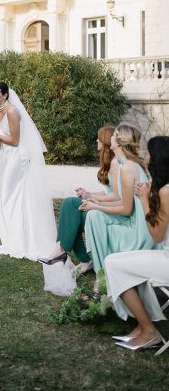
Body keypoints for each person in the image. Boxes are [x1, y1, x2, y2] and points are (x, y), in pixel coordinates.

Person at [105, 136, 169, 351]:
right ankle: (143, 329)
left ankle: (149, 331)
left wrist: (143, 201)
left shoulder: (166, 191)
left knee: (113, 264)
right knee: (114, 261)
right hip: (165, 256)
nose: (146, 158)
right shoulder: (164, 188)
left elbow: (157, 236)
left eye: (149, 154)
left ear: (158, 159)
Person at [0, 82, 57, 260]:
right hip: (6, 155)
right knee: (4, 194)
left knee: (11, 195)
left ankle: (21, 241)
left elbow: (15, 141)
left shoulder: (12, 111)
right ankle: (10, 239)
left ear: (5, 96)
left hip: (18, 156)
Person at [38, 126, 119, 274]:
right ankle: (66, 252)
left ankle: (67, 252)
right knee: (70, 204)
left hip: (112, 213)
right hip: (105, 206)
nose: (96, 140)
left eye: (99, 138)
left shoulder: (115, 164)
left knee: (73, 216)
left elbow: (118, 197)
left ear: (106, 141)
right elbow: (109, 191)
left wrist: (95, 201)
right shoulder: (109, 161)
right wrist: (89, 194)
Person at [80, 124, 156, 276]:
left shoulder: (128, 167)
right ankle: (101, 272)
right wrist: (97, 203)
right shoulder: (125, 165)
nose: (111, 138)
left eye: (114, 135)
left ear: (120, 142)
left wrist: (96, 206)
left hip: (139, 231)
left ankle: (103, 273)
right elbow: (123, 201)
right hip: (133, 220)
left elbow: (127, 209)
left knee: (94, 215)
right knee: (94, 216)